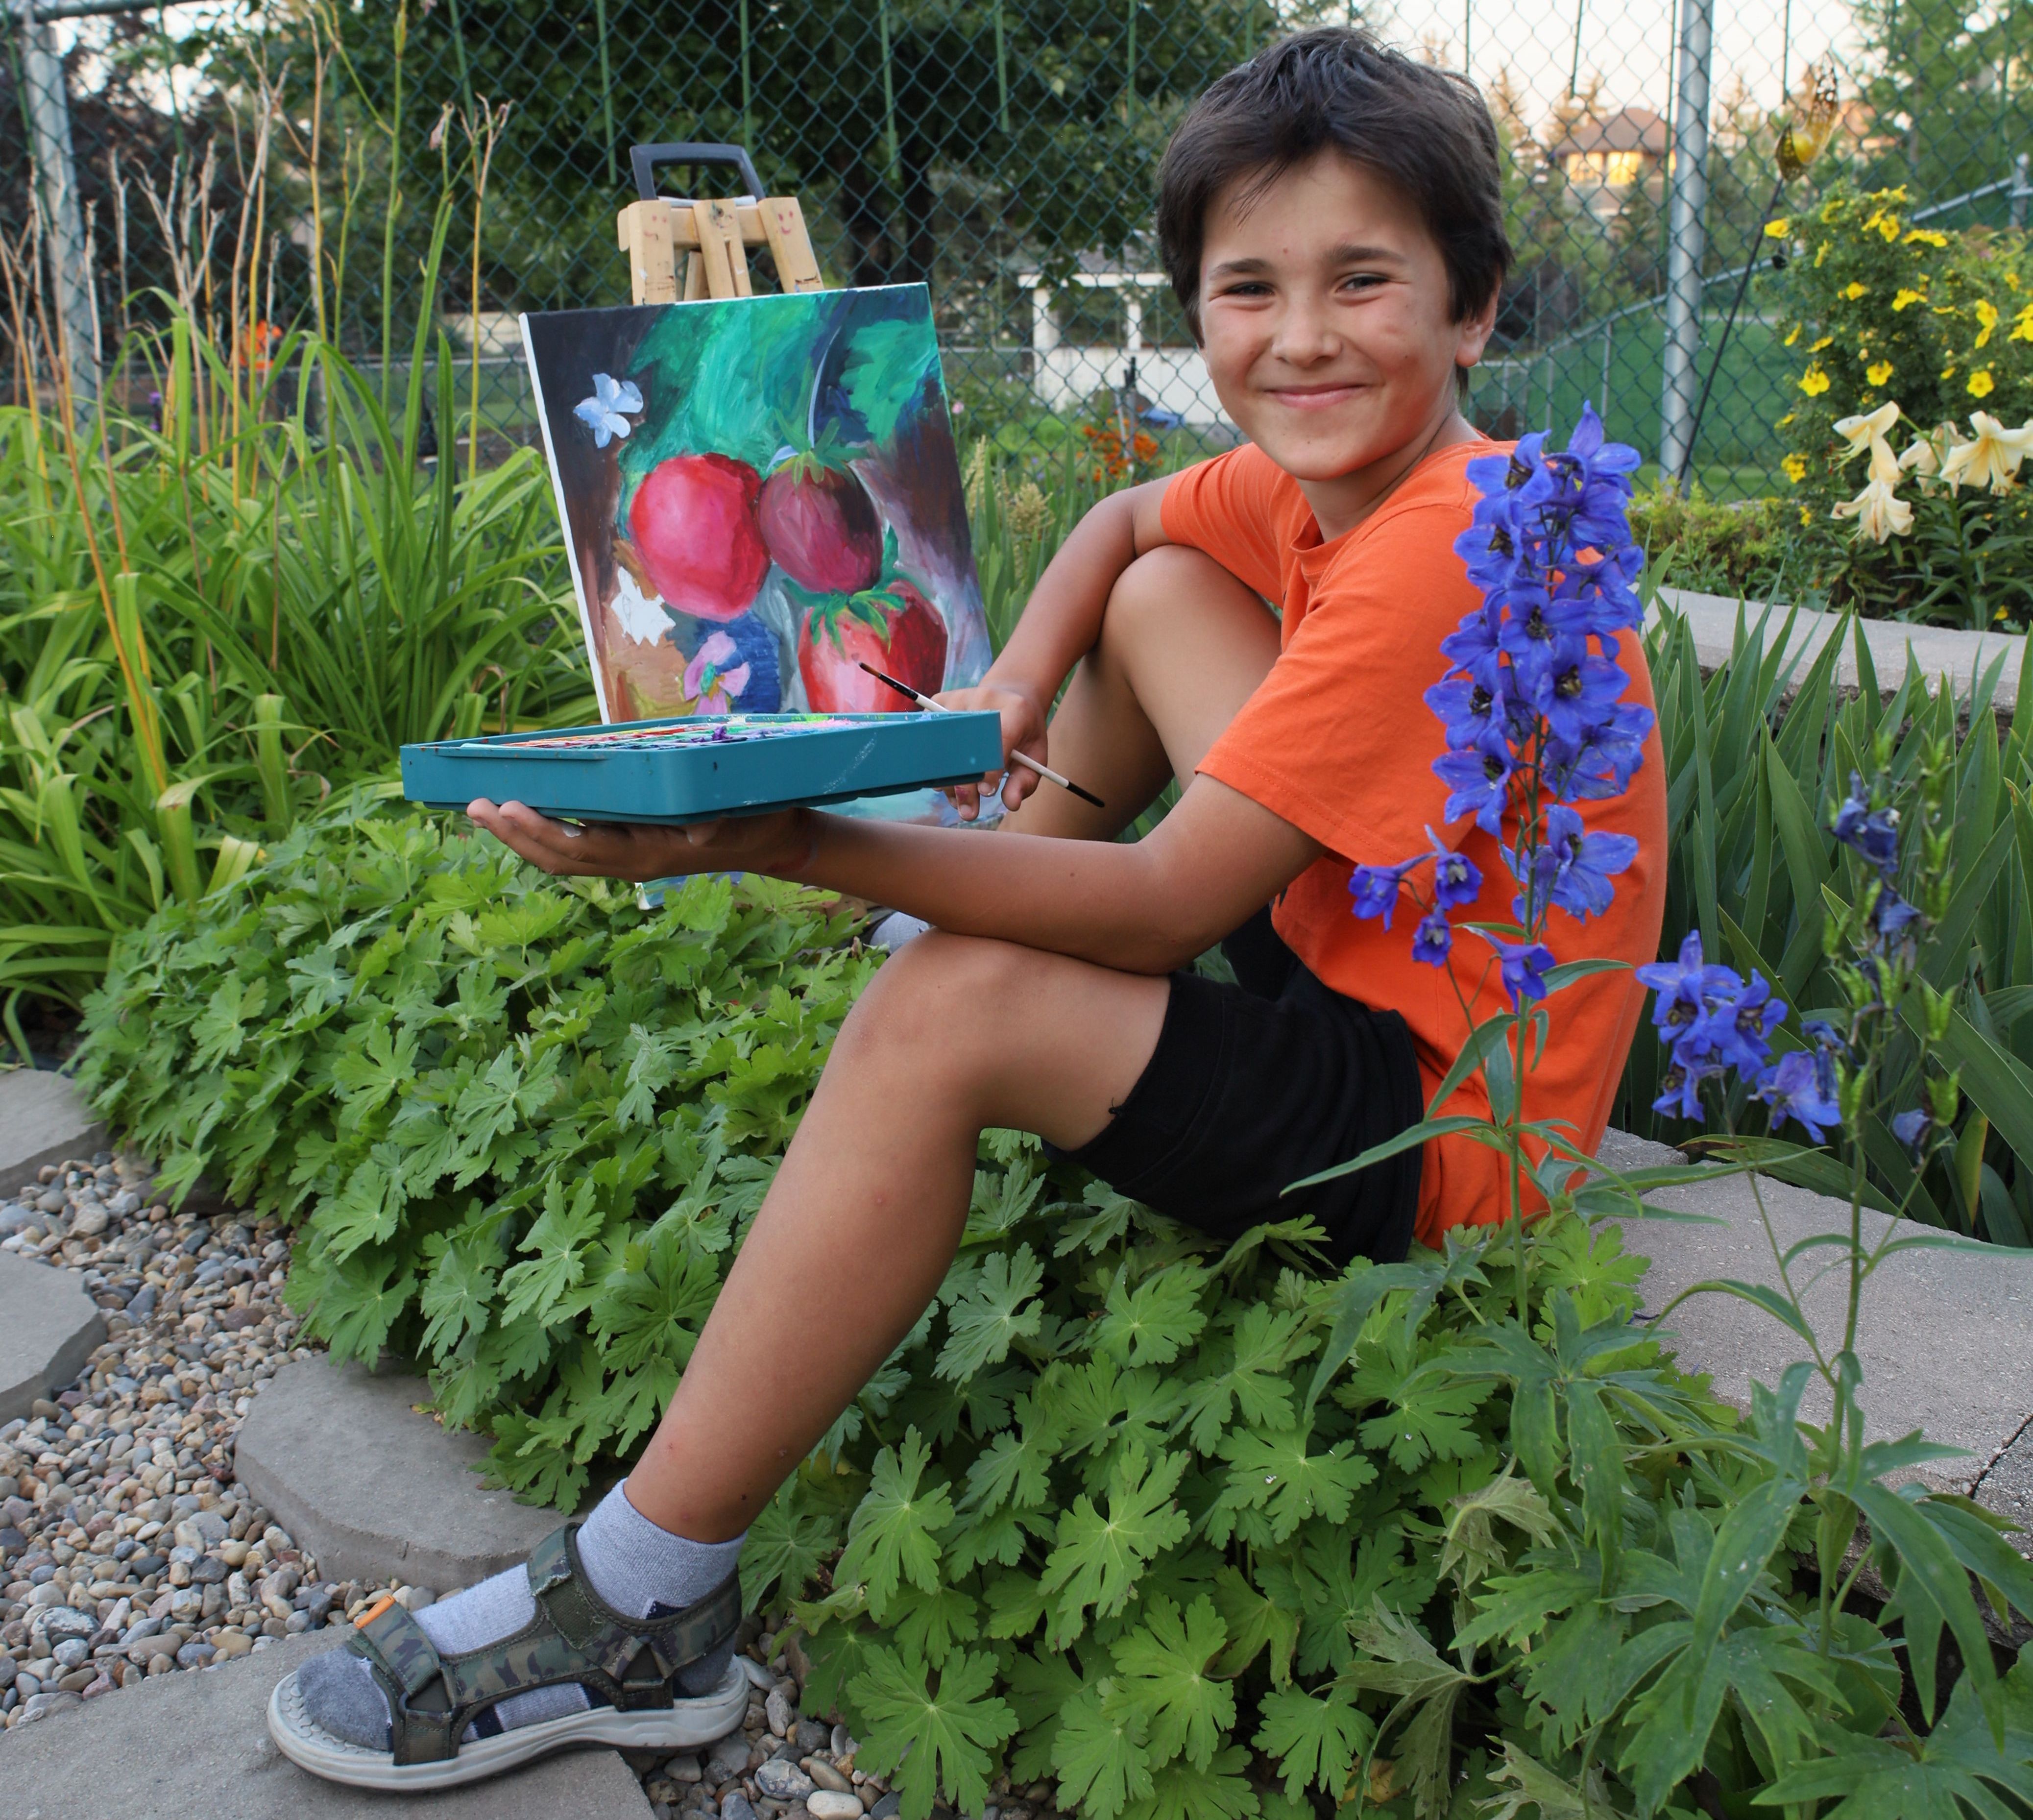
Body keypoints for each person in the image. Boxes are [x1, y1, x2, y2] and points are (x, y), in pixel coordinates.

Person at [270, 24, 1667, 1790]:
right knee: (1163, 584)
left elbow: (1163, 908)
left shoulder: (1446, 536)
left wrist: (772, 838)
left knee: (953, 1009)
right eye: (1250, 287)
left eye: (1363, 279)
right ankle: (986, 884)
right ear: (1198, 311)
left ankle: (640, 1608)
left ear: (1475, 310)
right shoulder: (1349, 474)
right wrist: (1001, 698)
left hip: (1444, 1132)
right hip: (1354, 962)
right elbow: (1125, 521)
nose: (1301, 335)